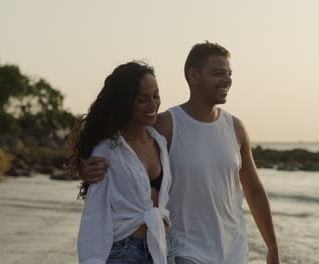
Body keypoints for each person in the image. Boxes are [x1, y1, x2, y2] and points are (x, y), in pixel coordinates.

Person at [80, 42, 281, 264]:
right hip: (185, 251)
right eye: (218, 73)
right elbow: (121, 145)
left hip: (234, 251)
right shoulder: (165, 126)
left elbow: (254, 190)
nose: (227, 80)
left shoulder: (236, 128)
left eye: (229, 73)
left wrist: (272, 246)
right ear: (193, 75)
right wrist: (84, 166)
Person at [66, 61, 174, 264]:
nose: (152, 105)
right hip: (124, 252)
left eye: (156, 96)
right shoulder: (108, 149)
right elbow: (95, 214)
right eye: (142, 99)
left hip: (162, 246)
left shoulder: (159, 141)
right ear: (125, 102)